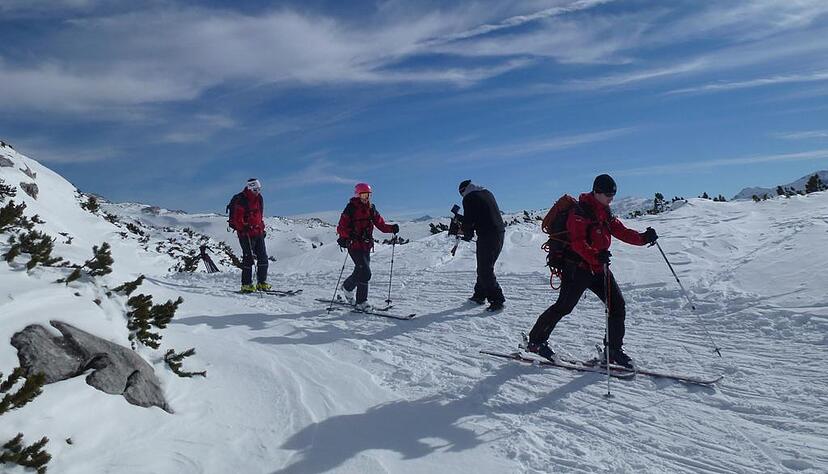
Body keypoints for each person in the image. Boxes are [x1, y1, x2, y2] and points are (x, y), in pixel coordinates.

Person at [526, 174, 658, 368]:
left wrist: (643, 238)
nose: (611, 197)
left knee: (617, 305)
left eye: (613, 194)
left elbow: (621, 231)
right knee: (564, 306)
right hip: (577, 269)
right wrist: (596, 256)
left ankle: (613, 351)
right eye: (608, 194)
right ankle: (535, 341)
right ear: (596, 192)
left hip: (599, 268)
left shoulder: (604, 211)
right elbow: (578, 243)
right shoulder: (580, 212)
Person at [336, 183, 399, 311]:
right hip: (354, 245)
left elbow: (380, 224)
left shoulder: (371, 208)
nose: (366, 197)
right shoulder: (350, 208)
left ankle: (347, 287)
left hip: (366, 245)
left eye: (368, 195)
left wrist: (391, 228)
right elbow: (340, 228)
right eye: (364, 194)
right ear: (358, 195)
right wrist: (350, 234)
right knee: (365, 272)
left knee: (360, 270)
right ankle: (361, 302)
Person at [458, 179, 506, 311]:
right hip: (499, 232)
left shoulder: (469, 197)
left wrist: (467, 234)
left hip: (487, 235)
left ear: (463, 191)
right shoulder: (486, 192)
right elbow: (480, 214)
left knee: (485, 269)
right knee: (485, 266)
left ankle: (497, 300)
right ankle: (480, 294)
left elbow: (469, 219)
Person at [229, 178, 272, 293]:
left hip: (258, 232)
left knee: (263, 258)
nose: (257, 191)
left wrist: (262, 229)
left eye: (259, 189)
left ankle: (261, 283)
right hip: (246, 234)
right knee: (248, 259)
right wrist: (244, 226)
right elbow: (238, 219)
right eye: (255, 189)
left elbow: (259, 216)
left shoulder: (259, 199)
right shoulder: (241, 200)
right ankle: (246, 284)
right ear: (249, 188)